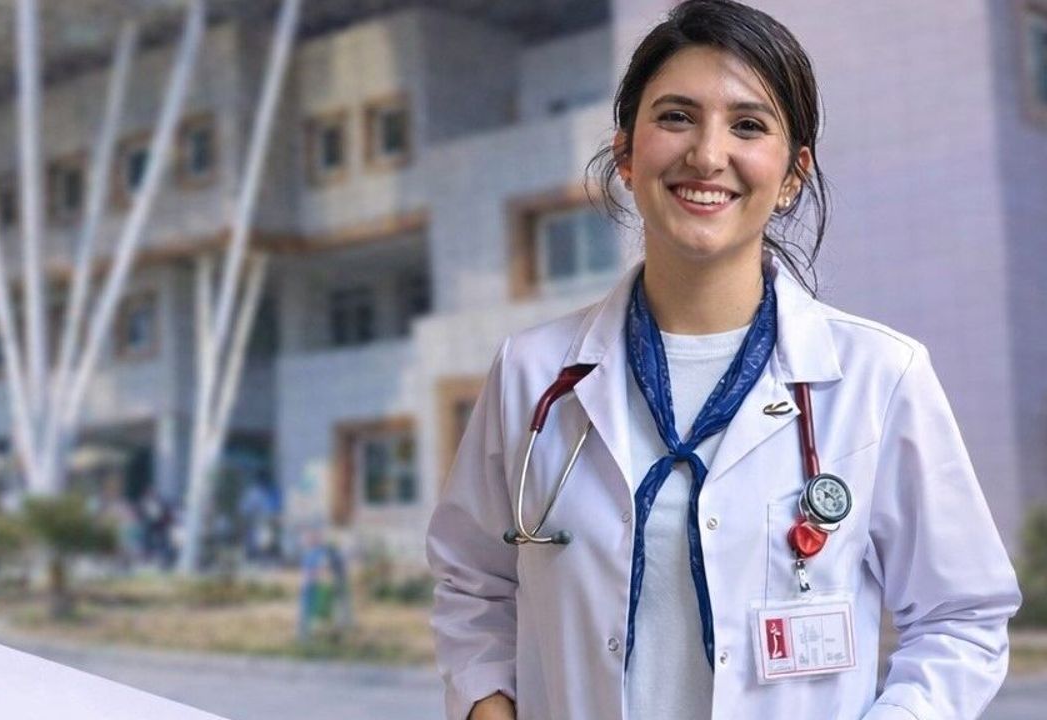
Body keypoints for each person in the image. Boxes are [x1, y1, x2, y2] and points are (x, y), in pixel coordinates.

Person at [424, 2, 1021, 719]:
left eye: (748, 125)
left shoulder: (879, 377)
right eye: (676, 117)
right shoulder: (535, 375)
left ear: (793, 173)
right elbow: (473, 586)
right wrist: (487, 706)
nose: (708, 155)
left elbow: (962, 618)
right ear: (626, 154)